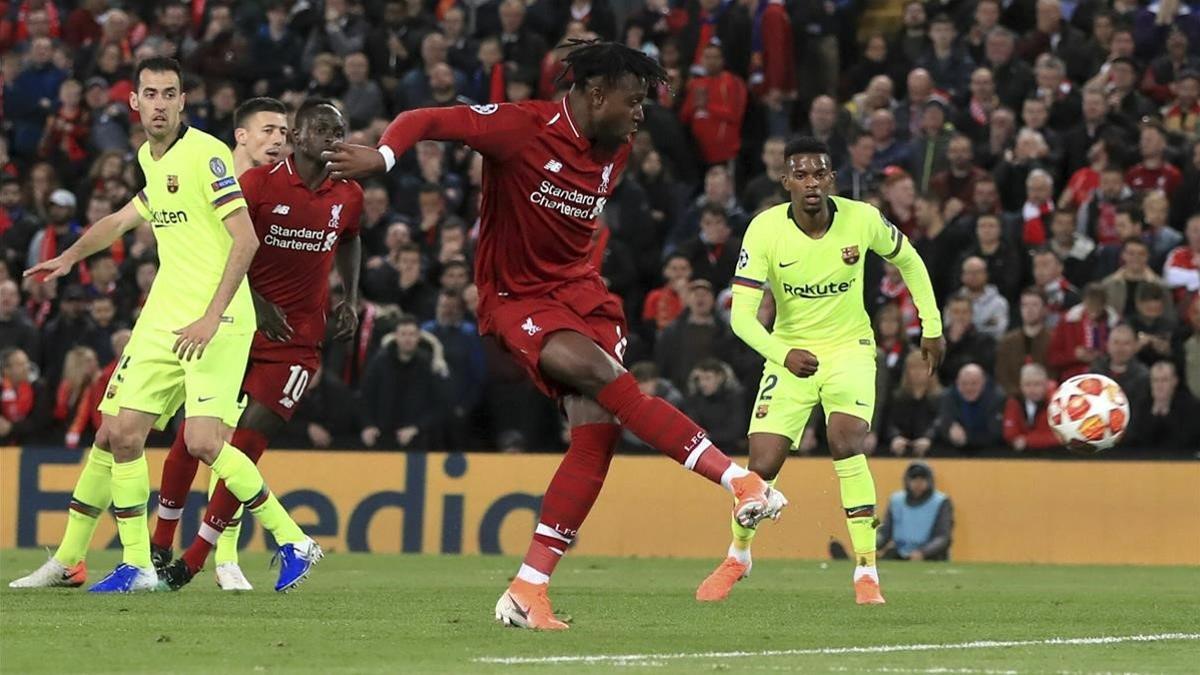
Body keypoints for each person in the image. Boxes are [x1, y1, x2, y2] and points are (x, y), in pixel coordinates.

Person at [323, 40, 785, 630]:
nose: (641, 112)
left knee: (596, 436)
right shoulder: (520, 127)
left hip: (585, 295)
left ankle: (527, 588)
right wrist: (386, 158)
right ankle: (738, 478)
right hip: (518, 299)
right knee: (603, 376)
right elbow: (428, 118)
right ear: (596, 94)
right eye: (634, 99)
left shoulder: (617, 147)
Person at [11, 58, 319, 594]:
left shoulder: (207, 155)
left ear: (182, 102)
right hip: (165, 318)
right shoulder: (149, 158)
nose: (158, 103)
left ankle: (291, 539)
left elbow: (245, 240)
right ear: (135, 102)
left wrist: (209, 314)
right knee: (119, 433)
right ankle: (128, 565)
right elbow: (124, 218)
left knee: (201, 441)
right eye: (149, 93)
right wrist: (68, 257)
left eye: (168, 93)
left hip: (216, 318)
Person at [693, 136, 945, 606]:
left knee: (846, 441)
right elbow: (741, 318)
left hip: (849, 348)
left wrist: (932, 325)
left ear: (832, 179)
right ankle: (738, 557)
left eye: (819, 174)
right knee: (762, 466)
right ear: (785, 180)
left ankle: (867, 570)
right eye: (801, 175)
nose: (811, 183)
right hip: (789, 353)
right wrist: (781, 352)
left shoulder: (862, 218)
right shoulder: (764, 231)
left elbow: (908, 258)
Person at [152, 99, 363, 591]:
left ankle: (196, 557)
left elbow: (351, 238)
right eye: (321, 129)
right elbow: (221, 247)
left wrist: (350, 296)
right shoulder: (258, 185)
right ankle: (159, 544)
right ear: (298, 137)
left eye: (340, 130)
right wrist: (255, 297)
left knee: (246, 443)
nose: (332, 137)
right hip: (237, 328)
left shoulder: (348, 194)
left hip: (296, 342)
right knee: (195, 436)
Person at [876, 461, 954, 561]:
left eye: (922, 479)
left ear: (930, 481)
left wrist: (923, 552)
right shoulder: (896, 500)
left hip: (930, 555)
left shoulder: (941, 501)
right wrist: (872, 547)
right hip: (900, 552)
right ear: (907, 480)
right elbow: (885, 532)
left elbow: (943, 537)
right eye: (914, 478)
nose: (918, 483)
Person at [1002, 363, 1061, 451]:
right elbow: (1009, 434)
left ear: (1046, 384)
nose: (1032, 389)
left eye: (1037, 384)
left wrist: (1027, 441)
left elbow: (1059, 437)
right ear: (1021, 386)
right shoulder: (1014, 403)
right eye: (1027, 384)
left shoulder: (1056, 403)